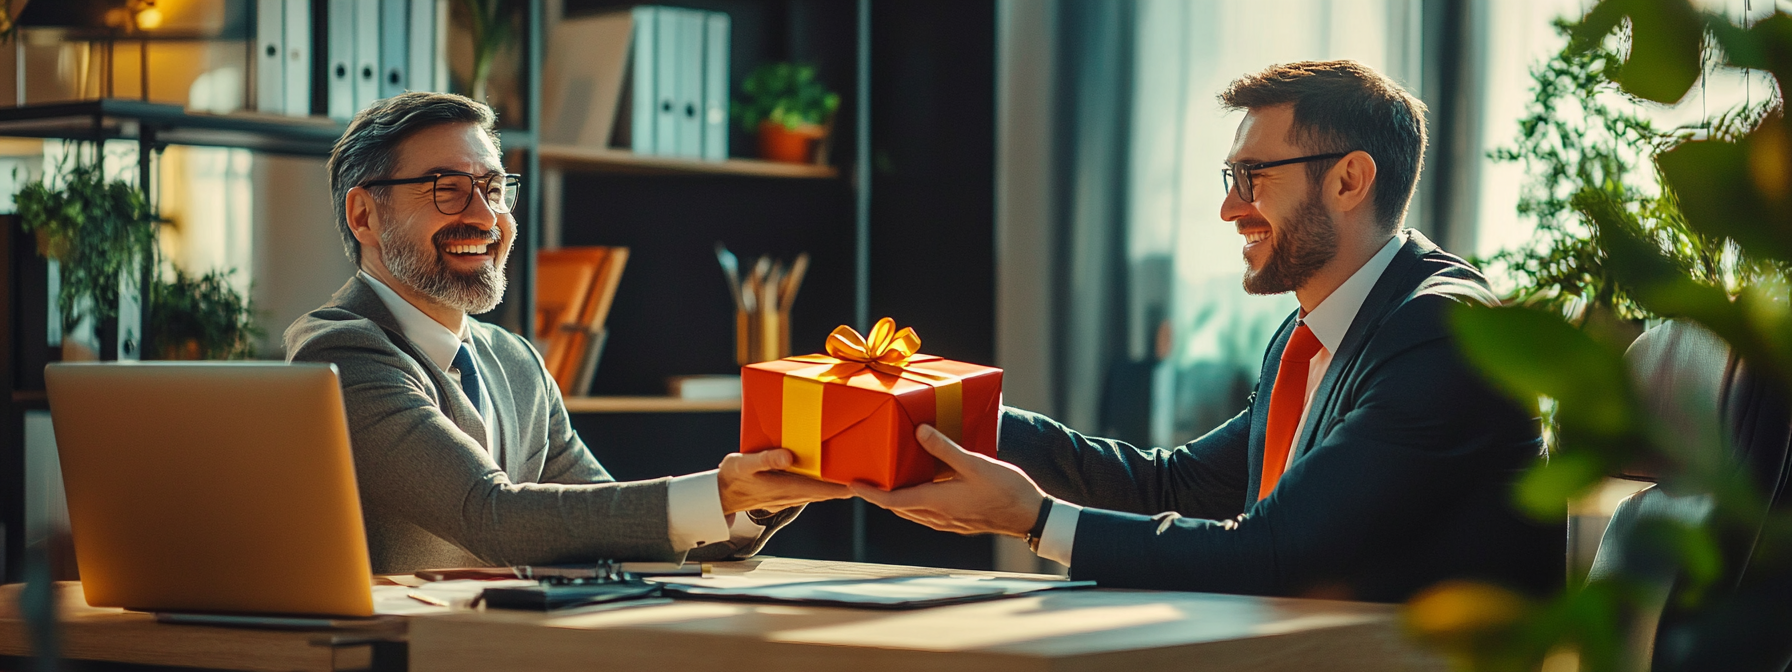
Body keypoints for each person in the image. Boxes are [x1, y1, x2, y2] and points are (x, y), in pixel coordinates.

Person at [852, 61, 1562, 602]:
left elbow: (1273, 552)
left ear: (1350, 180)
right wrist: (942, 408)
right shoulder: (1309, 334)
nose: (1229, 208)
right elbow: (1177, 484)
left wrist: (1035, 520)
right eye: (1231, 175)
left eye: (1253, 176)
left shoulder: (1446, 334)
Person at [286, 92, 848, 573]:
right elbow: (493, 515)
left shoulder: (516, 361)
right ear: (365, 216)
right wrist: (719, 491)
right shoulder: (340, 354)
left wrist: (753, 504)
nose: (486, 216)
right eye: (447, 188)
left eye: (493, 187)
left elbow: (605, 524)